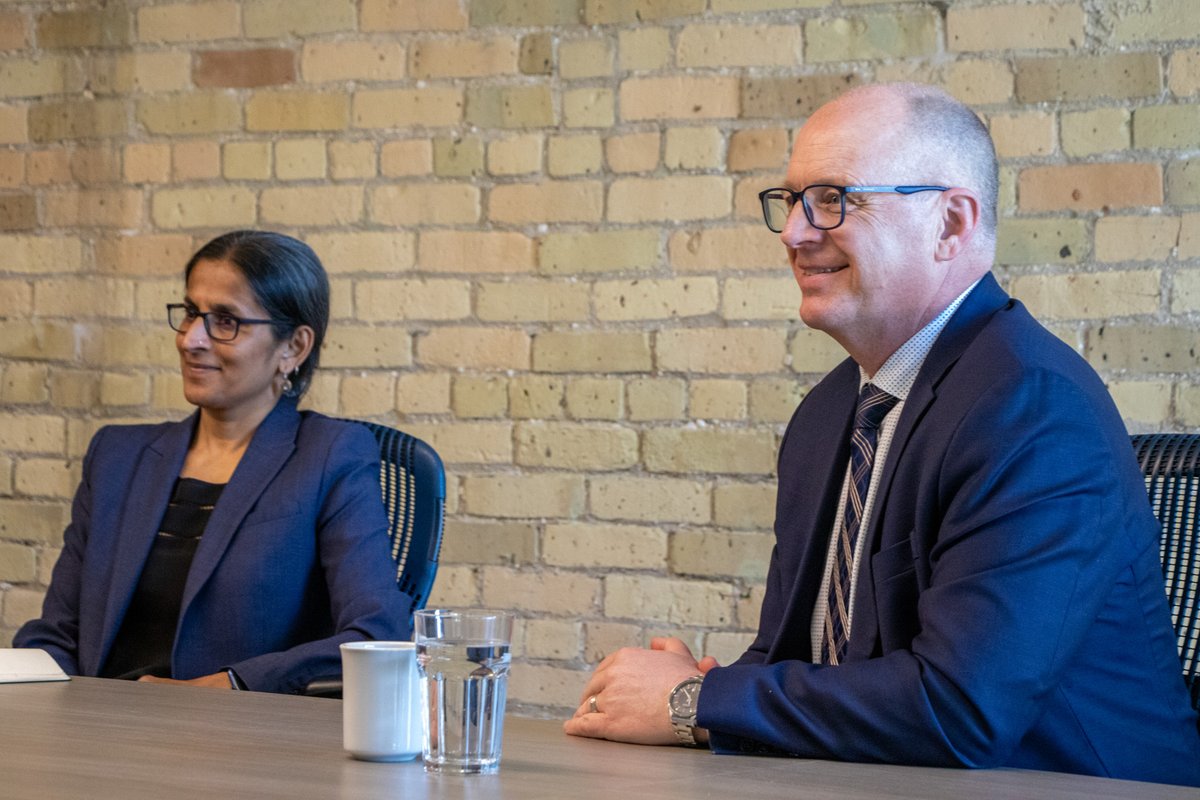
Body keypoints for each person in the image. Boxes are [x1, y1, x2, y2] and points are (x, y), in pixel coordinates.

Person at [564, 83, 1200, 786]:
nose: (797, 233)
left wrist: (697, 702)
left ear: (951, 224)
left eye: (834, 199)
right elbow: (791, 662)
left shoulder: (1033, 407)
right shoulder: (827, 414)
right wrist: (693, 693)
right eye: (792, 201)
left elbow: (962, 707)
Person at [14, 230, 413, 693]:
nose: (191, 340)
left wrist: (223, 688)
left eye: (226, 321)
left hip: (234, 743)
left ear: (294, 348)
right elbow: (58, 634)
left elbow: (378, 635)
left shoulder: (330, 455)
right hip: (100, 731)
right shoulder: (116, 456)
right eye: (190, 314)